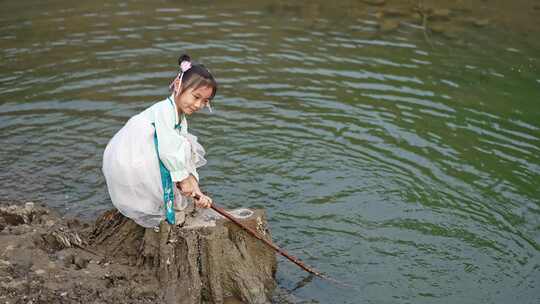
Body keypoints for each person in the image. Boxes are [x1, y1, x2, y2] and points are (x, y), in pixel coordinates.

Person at [102, 54, 217, 228]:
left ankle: (194, 192)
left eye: (205, 101)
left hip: (148, 150)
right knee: (181, 151)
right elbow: (168, 151)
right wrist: (182, 180)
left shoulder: (178, 115)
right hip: (131, 157)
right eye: (196, 97)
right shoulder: (165, 111)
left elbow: (179, 150)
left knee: (187, 145)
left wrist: (196, 189)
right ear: (178, 86)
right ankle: (162, 203)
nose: (198, 105)